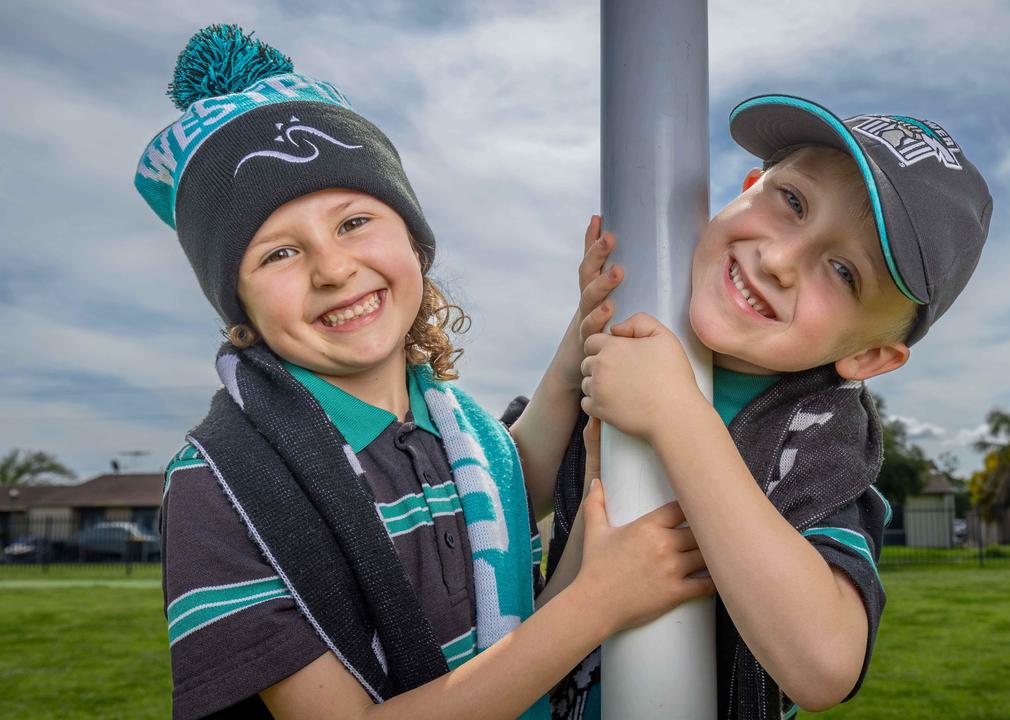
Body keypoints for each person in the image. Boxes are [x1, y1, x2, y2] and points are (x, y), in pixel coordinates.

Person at [140, 25, 712, 720]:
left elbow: (508, 488)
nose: (333, 269)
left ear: (414, 240)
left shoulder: (456, 426)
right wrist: (596, 602)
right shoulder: (222, 487)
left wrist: (582, 333)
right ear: (241, 310)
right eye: (279, 254)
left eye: (353, 223)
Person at [547, 95, 992, 718]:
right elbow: (516, 489)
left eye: (843, 272)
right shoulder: (633, 322)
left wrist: (678, 417)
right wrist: (579, 340)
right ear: (750, 185)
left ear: (869, 358)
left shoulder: (822, 447)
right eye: (792, 201)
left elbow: (826, 667)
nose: (780, 261)